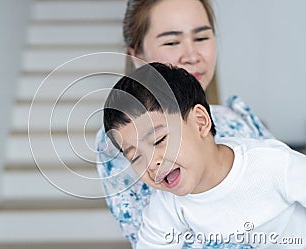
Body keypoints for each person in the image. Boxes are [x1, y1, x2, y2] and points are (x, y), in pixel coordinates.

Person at [95, 0, 274, 246]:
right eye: (171, 42)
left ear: (202, 121)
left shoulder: (239, 117)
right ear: (137, 56)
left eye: (201, 38)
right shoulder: (126, 139)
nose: (192, 56)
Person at [103, 62, 306, 249]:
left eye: (159, 140)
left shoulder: (272, 163)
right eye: (136, 157)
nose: (152, 162)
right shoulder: (167, 204)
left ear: (200, 122)